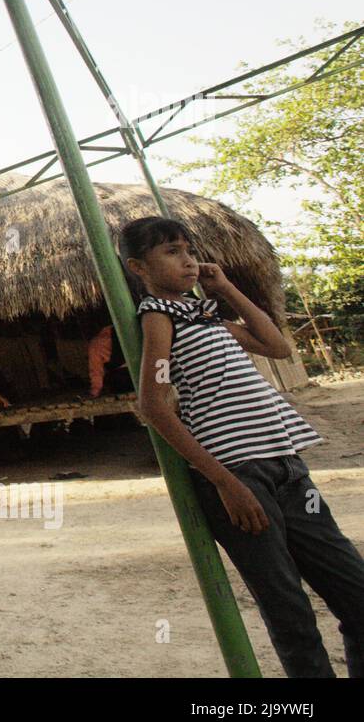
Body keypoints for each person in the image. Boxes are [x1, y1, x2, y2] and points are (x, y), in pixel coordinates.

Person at [122, 215, 364, 677]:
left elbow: (276, 346)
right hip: (239, 476)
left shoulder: (206, 318)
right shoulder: (160, 318)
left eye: (189, 250)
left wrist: (227, 288)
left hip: (288, 468)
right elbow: (153, 405)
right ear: (139, 267)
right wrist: (224, 483)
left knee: (355, 592)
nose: (188, 260)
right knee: (290, 613)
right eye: (171, 252)